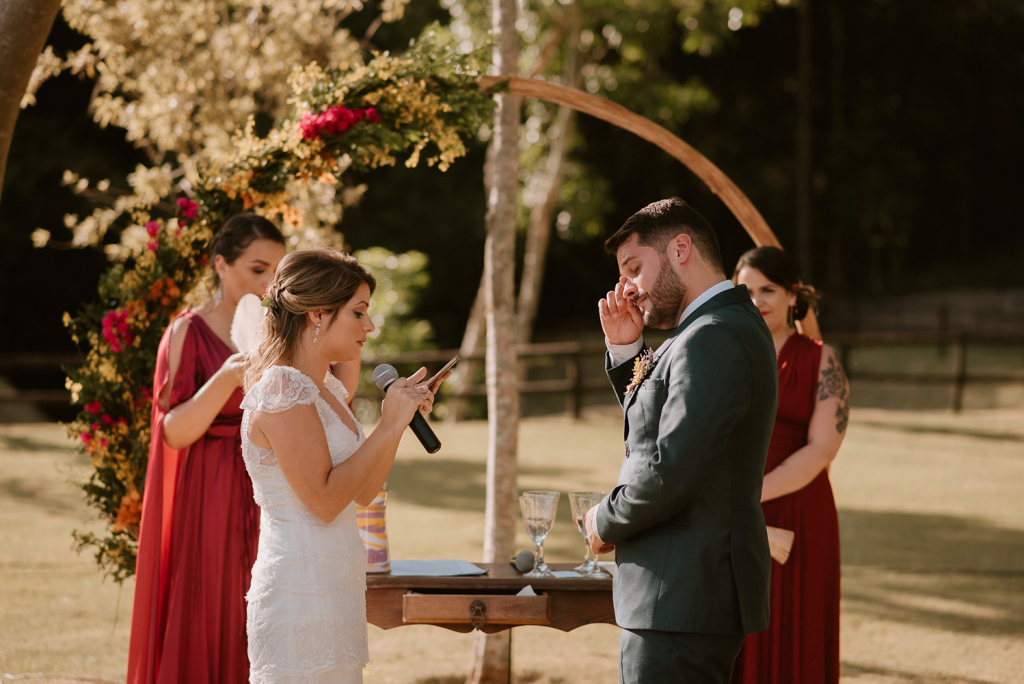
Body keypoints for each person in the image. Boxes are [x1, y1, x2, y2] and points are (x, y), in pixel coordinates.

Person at [584, 198, 779, 684]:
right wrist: (628, 351)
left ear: (681, 248)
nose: (626, 288)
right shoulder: (707, 329)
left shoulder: (712, 335)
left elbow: (671, 470)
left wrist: (603, 519)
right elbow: (657, 429)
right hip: (684, 594)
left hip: (681, 594)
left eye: (634, 268)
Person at [240, 248, 442, 684]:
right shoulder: (280, 390)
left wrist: (399, 422)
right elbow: (326, 501)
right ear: (317, 314)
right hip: (299, 593)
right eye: (359, 312)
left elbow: (364, 491)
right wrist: (389, 424)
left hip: (337, 586)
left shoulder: (328, 388)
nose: (369, 326)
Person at [127, 214, 287, 684]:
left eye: (277, 272)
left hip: (272, 489)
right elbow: (172, 431)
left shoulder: (281, 331)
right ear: (221, 264)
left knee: (267, 610)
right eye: (258, 269)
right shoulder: (187, 332)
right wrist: (226, 377)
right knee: (210, 606)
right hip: (209, 492)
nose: (269, 283)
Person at [730, 246, 848, 684]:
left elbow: (821, 449)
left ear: (792, 295)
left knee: (797, 627)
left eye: (769, 289)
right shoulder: (722, 354)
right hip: (730, 513)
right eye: (746, 289)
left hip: (800, 512)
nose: (757, 299)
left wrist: (746, 495)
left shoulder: (822, 360)